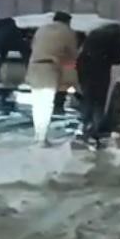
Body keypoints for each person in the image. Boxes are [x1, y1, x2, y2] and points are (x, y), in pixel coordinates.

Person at [25, 11, 78, 145]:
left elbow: (33, 46)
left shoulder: (41, 30)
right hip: (49, 68)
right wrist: (71, 78)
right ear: (67, 22)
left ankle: (38, 135)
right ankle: (42, 139)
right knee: (46, 104)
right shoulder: (67, 32)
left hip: (34, 66)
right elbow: (72, 55)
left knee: (37, 104)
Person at [76, 23, 120, 145]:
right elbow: (118, 59)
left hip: (84, 68)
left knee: (87, 98)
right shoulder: (118, 39)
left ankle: (84, 125)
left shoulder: (94, 34)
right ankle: (95, 130)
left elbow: (82, 51)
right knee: (99, 101)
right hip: (101, 70)